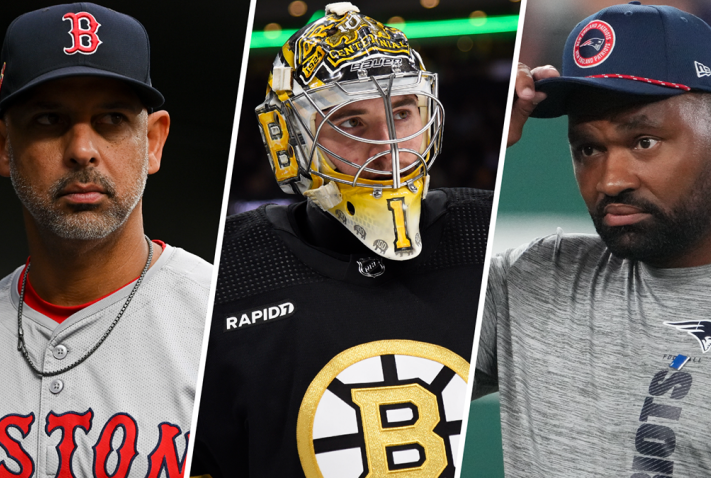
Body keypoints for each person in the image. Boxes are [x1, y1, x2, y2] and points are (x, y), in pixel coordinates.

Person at [190, 3, 493, 477]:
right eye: (352, 122)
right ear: (289, 136)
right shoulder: (222, 273)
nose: (389, 145)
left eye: (403, 110)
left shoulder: (486, 235)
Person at [474, 2, 711, 476]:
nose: (611, 180)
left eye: (643, 141)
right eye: (588, 148)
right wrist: (466, 149)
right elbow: (368, 333)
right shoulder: (532, 283)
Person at [0, 4, 211, 476]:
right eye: (48, 120)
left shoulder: (219, 321)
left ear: (154, 141)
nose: (82, 151)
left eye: (113, 119)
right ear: (0, 146)